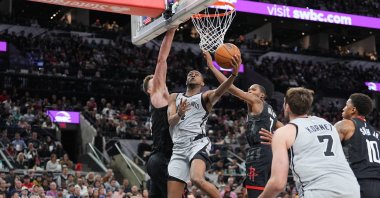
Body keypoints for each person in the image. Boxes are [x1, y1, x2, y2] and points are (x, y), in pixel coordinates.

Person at [204, 51, 283, 197]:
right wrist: (278, 141)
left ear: (261, 95)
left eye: (253, 89)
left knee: (255, 194)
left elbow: (230, 88)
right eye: (248, 89)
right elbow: (284, 128)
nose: (249, 91)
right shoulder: (270, 111)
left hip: (259, 153)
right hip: (270, 153)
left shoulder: (258, 102)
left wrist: (212, 67)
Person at [259, 87, 360, 197]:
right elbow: (308, 140)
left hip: (319, 191)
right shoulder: (326, 124)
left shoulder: (284, 133)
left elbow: (277, 184)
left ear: (287, 106)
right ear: (307, 107)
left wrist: (280, 141)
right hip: (351, 188)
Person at [167, 53, 240, 198]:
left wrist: (233, 75)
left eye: (197, 74)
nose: (193, 74)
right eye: (190, 74)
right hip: (178, 148)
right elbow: (171, 121)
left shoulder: (205, 97)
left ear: (202, 83)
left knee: (196, 179)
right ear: (186, 80)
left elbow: (222, 89)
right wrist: (179, 114)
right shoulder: (174, 96)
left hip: (197, 143)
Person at [142, 27, 176, 198]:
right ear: (150, 90)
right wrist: (172, 30)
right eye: (154, 81)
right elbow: (161, 60)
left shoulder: (166, 100)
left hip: (159, 160)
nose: (158, 79)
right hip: (161, 160)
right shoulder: (157, 95)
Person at [334, 93, 380, 198]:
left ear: (353, 109)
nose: (343, 108)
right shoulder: (377, 134)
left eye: (346, 105)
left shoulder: (345, 124)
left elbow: (329, 152)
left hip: (356, 181)